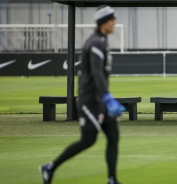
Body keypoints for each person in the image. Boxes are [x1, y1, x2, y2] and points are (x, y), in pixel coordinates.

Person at [39, 5, 125, 184]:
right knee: (88, 140)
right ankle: (50, 167)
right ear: (103, 23)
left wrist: (105, 98)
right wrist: (108, 98)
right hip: (89, 102)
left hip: (99, 100)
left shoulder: (101, 42)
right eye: (111, 20)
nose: (114, 23)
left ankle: (112, 179)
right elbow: (96, 73)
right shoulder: (94, 43)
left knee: (114, 137)